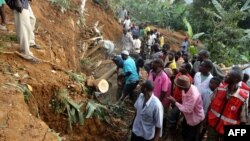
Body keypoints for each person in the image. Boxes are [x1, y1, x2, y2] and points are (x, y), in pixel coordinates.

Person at [207, 69, 248, 141]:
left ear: (236, 80)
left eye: (229, 75)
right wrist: (206, 119)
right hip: (212, 126)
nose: (226, 76)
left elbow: (243, 120)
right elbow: (210, 105)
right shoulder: (219, 89)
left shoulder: (242, 98)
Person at [168, 75, 205, 141]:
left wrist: (175, 102)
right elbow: (185, 103)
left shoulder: (193, 95)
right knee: (184, 132)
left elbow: (188, 110)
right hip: (188, 117)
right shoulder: (185, 89)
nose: (176, 86)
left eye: (177, 85)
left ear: (181, 86)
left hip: (195, 119)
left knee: (191, 137)